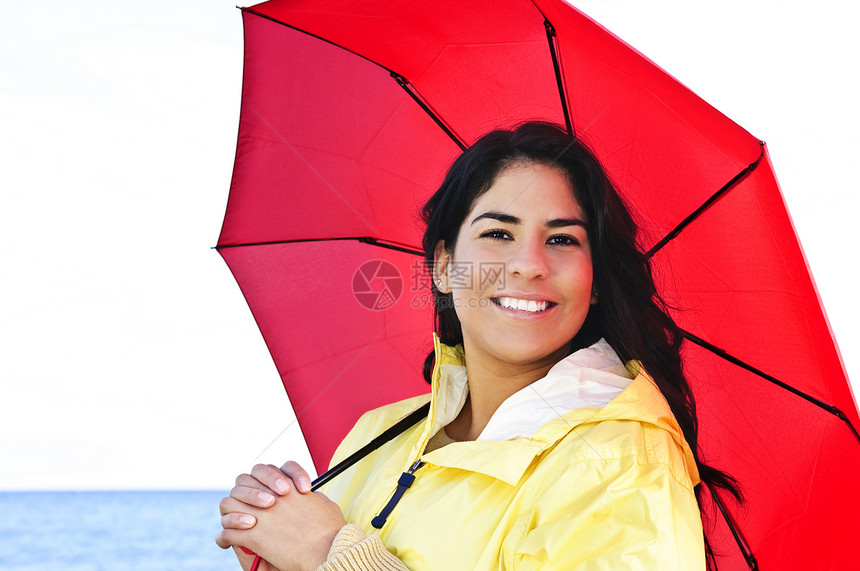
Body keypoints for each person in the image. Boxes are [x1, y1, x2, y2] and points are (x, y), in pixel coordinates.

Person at [216, 121, 740, 570]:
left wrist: (329, 550)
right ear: (444, 265)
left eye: (562, 239)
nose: (529, 264)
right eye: (498, 234)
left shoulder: (622, 463)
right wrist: (272, 543)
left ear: (595, 279)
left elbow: (328, 552)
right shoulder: (376, 434)